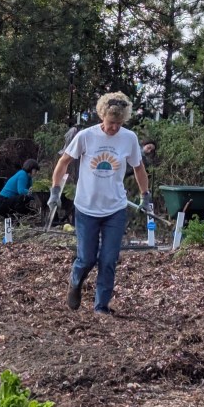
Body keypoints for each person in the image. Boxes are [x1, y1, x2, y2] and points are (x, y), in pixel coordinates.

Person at [49, 92, 149, 316]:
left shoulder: (129, 138)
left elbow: (139, 168)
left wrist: (145, 195)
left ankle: (101, 306)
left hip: (115, 208)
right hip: (86, 207)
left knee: (108, 259)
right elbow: (64, 161)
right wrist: (55, 191)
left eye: (119, 123)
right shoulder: (86, 136)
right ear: (102, 116)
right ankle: (75, 281)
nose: (115, 128)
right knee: (87, 257)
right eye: (111, 122)